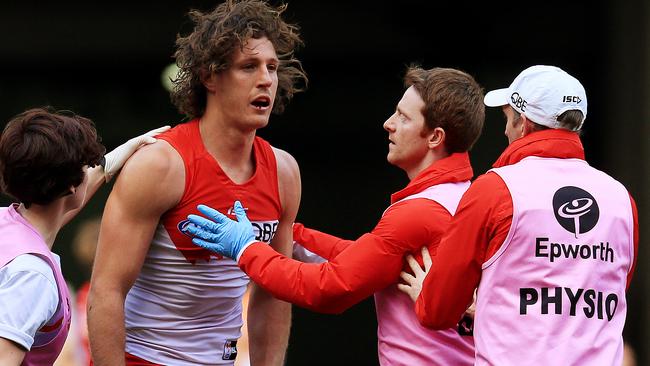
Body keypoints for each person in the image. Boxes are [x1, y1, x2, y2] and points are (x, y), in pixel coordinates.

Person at [184, 66, 484, 365]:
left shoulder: (419, 212)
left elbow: (331, 288)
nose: (388, 124)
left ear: (435, 137)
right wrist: (287, 232)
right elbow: (370, 258)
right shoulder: (467, 196)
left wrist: (246, 249)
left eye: (404, 117)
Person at [86, 1, 307, 365]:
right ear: (209, 77)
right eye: (248, 67)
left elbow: (273, 292)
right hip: (144, 358)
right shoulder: (161, 164)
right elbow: (106, 290)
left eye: (272, 67)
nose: (266, 79)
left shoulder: (285, 171)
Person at [398, 65, 639, 365]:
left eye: (507, 119)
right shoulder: (621, 200)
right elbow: (600, 291)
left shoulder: (496, 189)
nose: (504, 131)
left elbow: (438, 311)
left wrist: (427, 296)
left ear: (523, 123)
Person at [0, 107, 167, 366]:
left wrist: (108, 164)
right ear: (70, 185)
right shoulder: (33, 276)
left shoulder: (6, 222)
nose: (90, 170)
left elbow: (56, 208)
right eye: (86, 166)